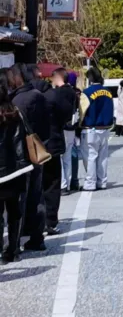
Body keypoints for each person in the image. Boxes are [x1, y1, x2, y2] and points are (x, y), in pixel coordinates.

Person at [7, 64, 50, 251]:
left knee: (20, 199)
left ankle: (16, 241)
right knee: (37, 195)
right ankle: (37, 236)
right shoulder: (38, 95)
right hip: (36, 150)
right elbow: (47, 125)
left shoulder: (15, 101)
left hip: (19, 156)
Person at [0, 88, 33, 264]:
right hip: (16, 169)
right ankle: (13, 250)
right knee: (14, 212)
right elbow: (25, 136)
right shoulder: (15, 112)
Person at [42, 68, 75, 235]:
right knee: (53, 181)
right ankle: (50, 221)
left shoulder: (41, 96)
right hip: (54, 141)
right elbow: (67, 114)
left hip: (35, 145)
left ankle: (37, 222)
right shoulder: (60, 95)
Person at [79, 67, 114, 192]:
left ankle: (90, 183)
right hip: (105, 128)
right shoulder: (108, 92)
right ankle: (102, 181)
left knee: (90, 156)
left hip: (90, 128)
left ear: (89, 78)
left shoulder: (87, 92)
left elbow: (82, 111)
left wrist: (79, 125)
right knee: (102, 157)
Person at [62, 72, 81, 194]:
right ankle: (73, 181)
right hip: (74, 128)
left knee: (63, 156)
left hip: (64, 127)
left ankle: (64, 183)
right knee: (72, 155)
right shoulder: (77, 93)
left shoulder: (61, 92)